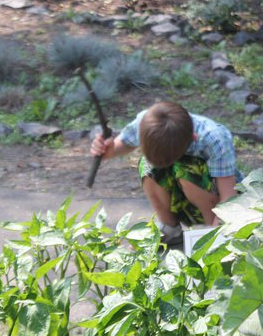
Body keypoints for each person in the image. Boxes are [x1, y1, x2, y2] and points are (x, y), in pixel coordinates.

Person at [90, 101, 239, 244]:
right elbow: (120, 145)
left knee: (186, 168)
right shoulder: (147, 123)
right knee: (147, 165)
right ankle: (170, 228)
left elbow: (228, 199)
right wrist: (105, 150)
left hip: (219, 208)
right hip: (184, 202)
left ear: (192, 138)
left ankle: (209, 232)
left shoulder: (215, 139)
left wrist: (214, 242)